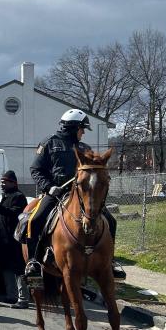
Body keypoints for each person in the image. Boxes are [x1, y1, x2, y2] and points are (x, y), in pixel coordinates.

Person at [25, 109, 126, 280]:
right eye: (82, 129)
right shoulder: (49, 142)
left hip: (81, 196)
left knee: (111, 221)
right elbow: (36, 170)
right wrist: (49, 187)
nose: (83, 132)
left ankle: (111, 261)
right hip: (56, 193)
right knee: (35, 220)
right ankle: (34, 261)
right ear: (73, 128)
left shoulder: (84, 148)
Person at [0, 170, 29, 307]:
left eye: (4, 182)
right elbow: (1, 214)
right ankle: (11, 296)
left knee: (19, 269)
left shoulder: (19, 197)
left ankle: (23, 298)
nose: (1, 184)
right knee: (6, 268)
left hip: (15, 241)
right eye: (1, 182)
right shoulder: (6, 196)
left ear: (13, 183)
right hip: (2, 240)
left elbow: (15, 214)